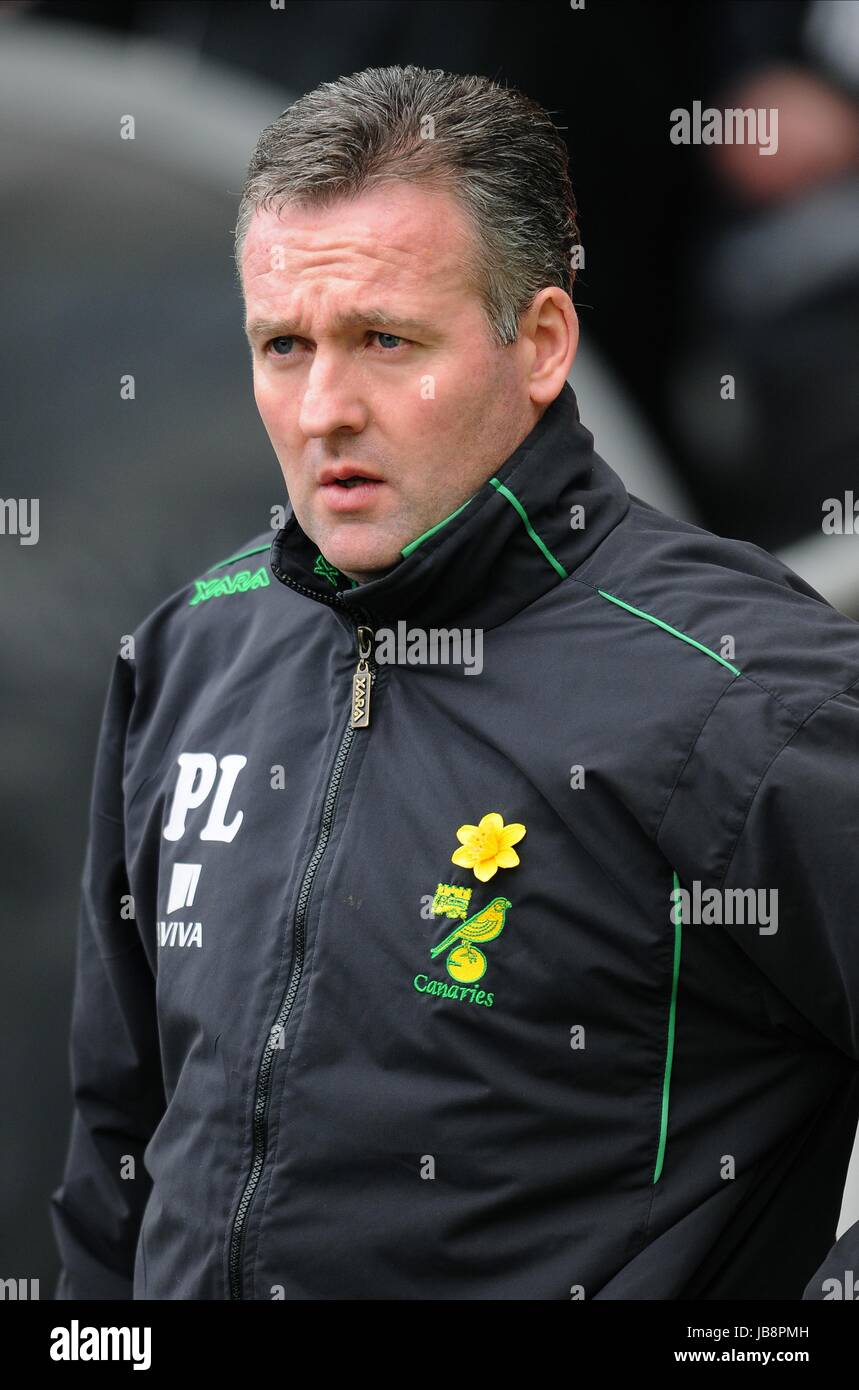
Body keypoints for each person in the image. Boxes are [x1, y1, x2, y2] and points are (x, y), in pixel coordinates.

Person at [51, 63, 859, 1301]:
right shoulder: (186, 650)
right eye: (284, 345)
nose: (325, 408)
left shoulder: (745, 690)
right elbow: (115, 1153)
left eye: (384, 340)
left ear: (537, 343)